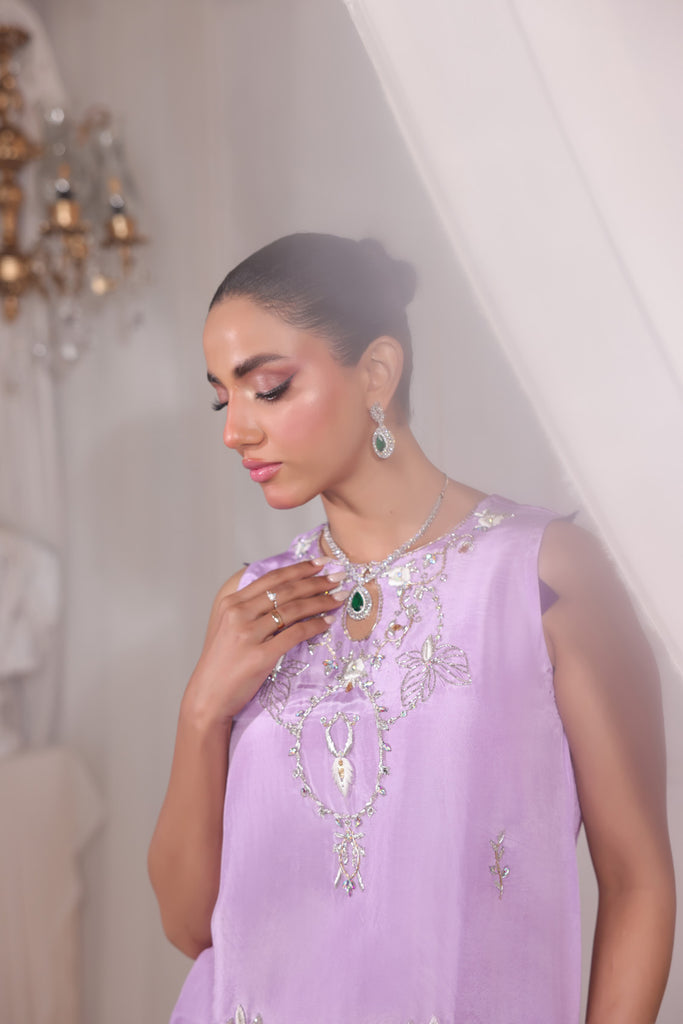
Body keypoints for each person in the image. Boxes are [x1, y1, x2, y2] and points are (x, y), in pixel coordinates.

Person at [148, 233, 675, 1024]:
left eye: (269, 389)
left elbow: (637, 882)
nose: (236, 431)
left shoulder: (541, 576)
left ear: (376, 373)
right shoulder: (254, 605)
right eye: (224, 399)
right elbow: (192, 926)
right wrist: (201, 713)